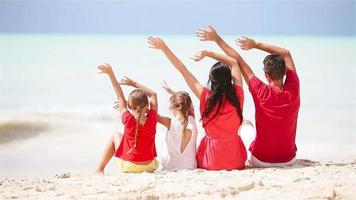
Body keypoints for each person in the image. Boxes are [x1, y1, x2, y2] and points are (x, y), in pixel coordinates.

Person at [196, 26, 300, 167]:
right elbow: (286, 53)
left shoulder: (260, 90)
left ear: (266, 75)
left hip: (260, 160)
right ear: (285, 72)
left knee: (245, 123)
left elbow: (237, 60)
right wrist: (256, 45)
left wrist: (216, 39)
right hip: (289, 159)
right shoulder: (294, 88)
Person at [148, 37, 247, 170]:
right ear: (230, 79)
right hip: (236, 162)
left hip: (210, 161)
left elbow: (183, 70)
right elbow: (234, 62)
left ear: (211, 80)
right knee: (246, 124)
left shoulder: (206, 96)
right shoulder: (238, 95)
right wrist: (208, 53)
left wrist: (164, 48)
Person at [94, 63, 159, 173]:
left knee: (116, 135)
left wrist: (111, 74)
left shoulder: (128, 119)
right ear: (147, 106)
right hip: (150, 166)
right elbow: (153, 94)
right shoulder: (153, 118)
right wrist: (133, 83)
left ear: (129, 105)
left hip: (129, 166)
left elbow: (119, 95)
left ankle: (99, 169)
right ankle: (99, 169)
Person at [158, 81, 198, 171]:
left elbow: (152, 115)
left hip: (172, 167)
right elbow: (189, 103)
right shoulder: (192, 121)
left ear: (173, 107)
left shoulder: (170, 123)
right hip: (191, 166)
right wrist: (173, 93)